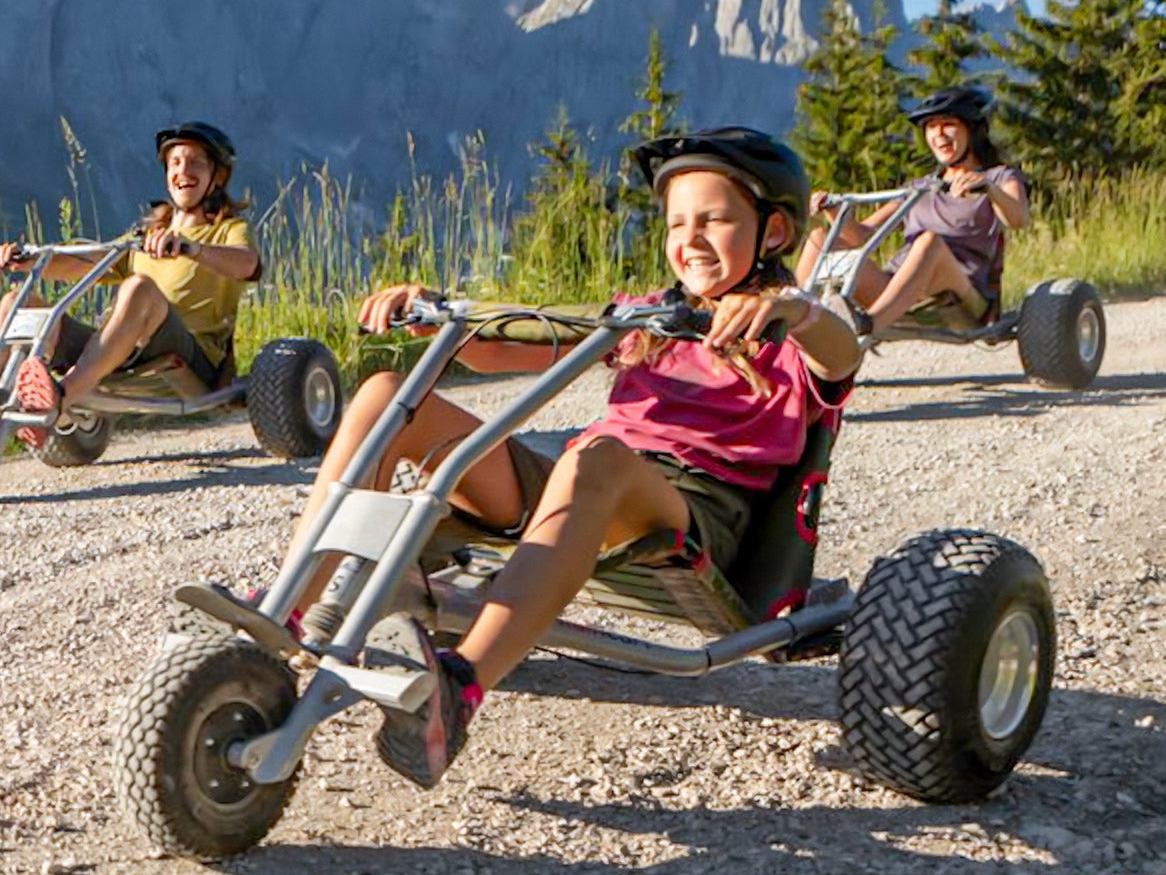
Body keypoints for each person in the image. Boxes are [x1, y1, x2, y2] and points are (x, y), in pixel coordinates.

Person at [287, 125, 861, 790]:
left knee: (598, 456)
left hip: (683, 508)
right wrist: (436, 316)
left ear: (776, 233)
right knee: (390, 395)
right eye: (677, 222)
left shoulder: (790, 329)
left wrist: (793, 310)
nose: (690, 239)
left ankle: (457, 690)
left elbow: (841, 354)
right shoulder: (650, 317)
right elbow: (507, 348)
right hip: (577, 483)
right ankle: (290, 607)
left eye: (715, 220)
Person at [0, 122, 261, 447]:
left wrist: (191, 247)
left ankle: (60, 398)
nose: (183, 172)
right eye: (175, 163)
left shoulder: (228, 230)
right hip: (123, 349)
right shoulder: (145, 237)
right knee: (17, 300)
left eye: (196, 163)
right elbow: (88, 262)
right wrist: (31, 261)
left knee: (139, 288)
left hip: (191, 357)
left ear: (217, 176)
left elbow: (247, 263)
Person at [800, 87, 1029, 336]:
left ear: (972, 130)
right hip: (896, 292)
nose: (939, 134)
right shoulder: (919, 188)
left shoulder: (998, 177)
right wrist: (835, 213)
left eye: (948, 124)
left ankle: (868, 326)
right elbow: (862, 236)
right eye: (931, 127)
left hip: (962, 298)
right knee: (819, 239)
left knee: (929, 243)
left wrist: (990, 190)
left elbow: (1018, 218)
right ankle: (791, 322)